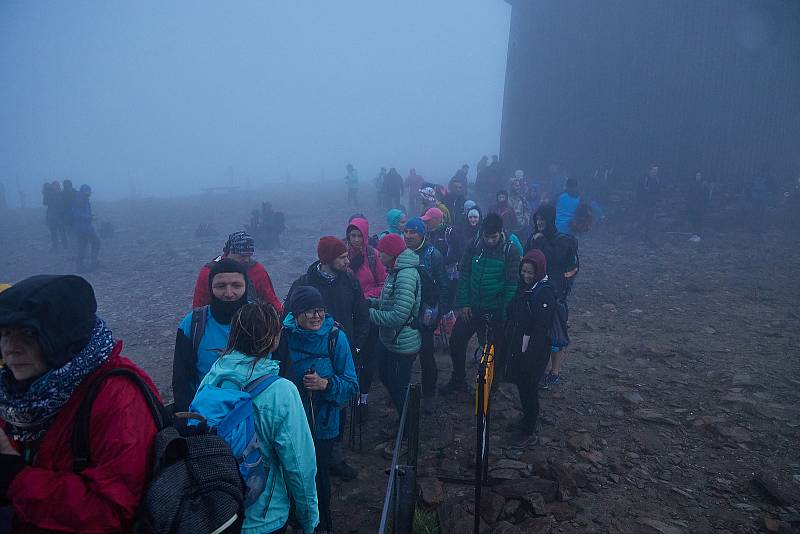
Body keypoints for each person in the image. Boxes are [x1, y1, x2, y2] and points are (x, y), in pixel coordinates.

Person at [0, 275, 160, 532]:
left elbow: (112, 514)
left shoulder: (117, 397)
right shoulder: (17, 392)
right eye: (5, 334)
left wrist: (16, 478)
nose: (10, 349)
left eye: (28, 334)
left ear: (65, 335)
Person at [197, 301, 319, 534]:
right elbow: (299, 464)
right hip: (264, 518)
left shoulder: (214, 375)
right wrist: (309, 518)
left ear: (233, 335)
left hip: (218, 514)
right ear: (275, 338)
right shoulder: (281, 391)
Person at [284, 236, 368, 481]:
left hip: (341, 349)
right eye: (342, 257)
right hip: (307, 355)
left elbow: (362, 314)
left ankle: (335, 457)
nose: (347, 260)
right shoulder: (303, 284)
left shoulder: (350, 280)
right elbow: (287, 319)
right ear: (327, 259)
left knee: (338, 409)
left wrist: (357, 346)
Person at [277, 287, 359, 534]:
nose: (316, 316)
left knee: (319, 478)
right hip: (290, 422)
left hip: (323, 424)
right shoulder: (282, 336)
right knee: (290, 476)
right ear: (296, 312)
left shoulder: (335, 337)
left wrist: (326, 384)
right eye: (309, 311)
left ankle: (321, 525)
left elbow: (352, 384)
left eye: (320, 309)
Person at [441, 213, 520, 394]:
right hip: (473, 307)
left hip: (495, 310)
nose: (491, 240)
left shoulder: (511, 251)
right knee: (456, 341)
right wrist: (464, 303)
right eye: (487, 236)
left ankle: (491, 389)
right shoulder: (474, 245)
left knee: (494, 353)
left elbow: (511, 285)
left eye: (494, 237)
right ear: (481, 233)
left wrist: (504, 312)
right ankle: (458, 379)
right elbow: (465, 275)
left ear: (501, 233)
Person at [173, 258, 249, 412]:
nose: (229, 293)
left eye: (236, 285)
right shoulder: (192, 325)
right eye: (221, 286)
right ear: (210, 287)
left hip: (259, 417)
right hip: (208, 416)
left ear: (247, 287)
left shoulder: (265, 321)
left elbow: (282, 371)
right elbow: (182, 380)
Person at [503, 250, 556, 445]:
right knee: (522, 386)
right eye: (523, 271)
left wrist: (529, 357)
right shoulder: (525, 287)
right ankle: (527, 420)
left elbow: (540, 330)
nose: (526, 276)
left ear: (539, 271)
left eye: (530, 273)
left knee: (529, 387)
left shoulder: (544, 293)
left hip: (534, 351)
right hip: (521, 346)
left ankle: (528, 432)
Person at [524, 204, 579, 386]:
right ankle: (533, 367)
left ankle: (554, 372)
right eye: (537, 219)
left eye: (543, 219)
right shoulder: (533, 238)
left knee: (556, 334)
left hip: (554, 293)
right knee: (534, 331)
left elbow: (556, 260)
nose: (539, 222)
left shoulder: (563, 240)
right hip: (534, 291)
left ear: (550, 219)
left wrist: (563, 287)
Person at [368, 234, 422, 416]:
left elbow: (399, 316)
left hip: (403, 342)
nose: (379, 256)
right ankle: (404, 420)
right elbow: (389, 301)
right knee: (386, 376)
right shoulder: (395, 270)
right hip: (391, 339)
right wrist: (370, 302)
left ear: (391, 254)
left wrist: (368, 314)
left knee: (399, 387)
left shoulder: (405, 275)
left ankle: (409, 427)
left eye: (381, 253)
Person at [403, 218, 449, 410]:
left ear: (422, 234)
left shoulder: (433, 255)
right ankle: (403, 392)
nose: (408, 236)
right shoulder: (402, 252)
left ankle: (429, 394)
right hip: (406, 310)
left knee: (426, 355)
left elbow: (444, 284)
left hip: (426, 313)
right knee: (404, 354)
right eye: (406, 232)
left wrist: (441, 312)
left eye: (413, 232)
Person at [345, 217, 387, 416]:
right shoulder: (341, 255)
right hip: (347, 313)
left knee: (368, 356)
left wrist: (365, 298)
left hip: (368, 312)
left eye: (359, 235)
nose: (355, 240)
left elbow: (382, 284)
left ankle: (363, 398)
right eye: (352, 235)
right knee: (350, 356)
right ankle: (348, 396)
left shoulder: (373, 255)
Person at [192, 231, 283, 313]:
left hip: (251, 322)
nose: (246, 260)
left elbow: (270, 299)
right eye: (242, 256)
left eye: (249, 256)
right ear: (229, 251)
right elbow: (199, 304)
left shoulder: (256, 270)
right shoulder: (208, 272)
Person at [72, 184, 101, 272]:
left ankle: (80, 266)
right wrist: (89, 217)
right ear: (84, 191)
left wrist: (90, 216)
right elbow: (76, 214)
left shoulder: (83, 200)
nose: (90, 193)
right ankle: (93, 263)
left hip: (82, 227)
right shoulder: (80, 201)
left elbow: (80, 213)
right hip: (84, 227)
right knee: (96, 242)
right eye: (88, 191)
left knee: (82, 246)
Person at [637, 164, 661, 242]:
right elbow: (639, 190)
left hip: (652, 204)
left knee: (650, 220)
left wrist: (656, 200)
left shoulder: (657, 180)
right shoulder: (644, 179)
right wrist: (641, 200)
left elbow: (658, 191)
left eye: (657, 170)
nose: (655, 172)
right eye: (654, 170)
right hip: (643, 203)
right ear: (650, 170)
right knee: (642, 219)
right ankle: (640, 236)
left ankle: (648, 236)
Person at [686, 171, 712, 242]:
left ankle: (699, 235)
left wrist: (704, 205)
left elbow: (706, 196)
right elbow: (689, 195)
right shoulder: (692, 184)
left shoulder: (704, 185)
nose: (698, 177)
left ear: (701, 176)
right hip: (693, 206)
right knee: (693, 221)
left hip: (700, 207)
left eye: (699, 175)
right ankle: (694, 234)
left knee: (699, 221)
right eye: (697, 175)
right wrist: (689, 204)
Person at [42, 181, 67, 251]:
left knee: (60, 232)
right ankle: (58, 247)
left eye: (57, 185)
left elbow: (45, 203)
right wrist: (46, 192)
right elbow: (45, 202)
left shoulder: (59, 194)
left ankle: (62, 247)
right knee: (56, 232)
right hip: (54, 216)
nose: (57, 187)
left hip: (56, 216)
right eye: (55, 185)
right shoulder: (53, 193)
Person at [508, 172, 531, 237]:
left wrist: (525, 220)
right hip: (511, 230)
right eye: (516, 186)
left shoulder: (522, 198)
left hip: (522, 229)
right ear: (511, 186)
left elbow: (527, 210)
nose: (518, 187)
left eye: (519, 185)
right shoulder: (507, 199)